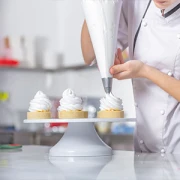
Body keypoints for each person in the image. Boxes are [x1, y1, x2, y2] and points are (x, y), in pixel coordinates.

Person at [81, 0, 180, 153]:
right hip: (144, 152)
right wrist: (96, 6)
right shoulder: (136, 4)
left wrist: (145, 71)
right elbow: (89, 55)